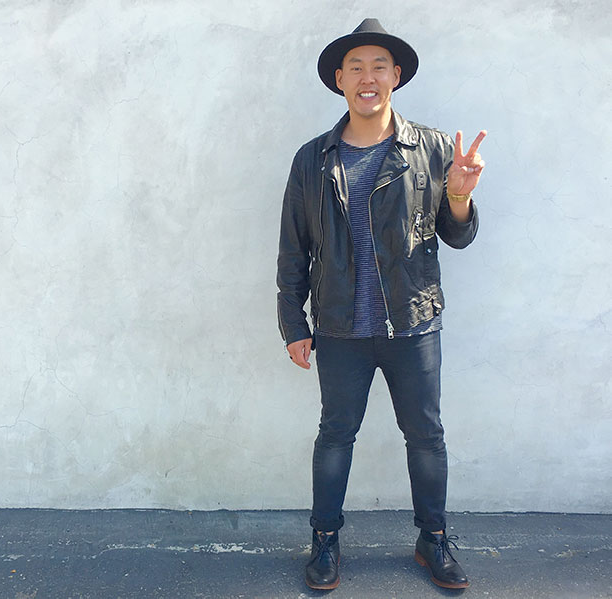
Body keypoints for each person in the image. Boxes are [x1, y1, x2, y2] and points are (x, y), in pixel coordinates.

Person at [276, 18, 486, 591]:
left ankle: (433, 540)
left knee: (426, 436)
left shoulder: (434, 149)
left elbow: (458, 235)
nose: (368, 78)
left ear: (395, 76)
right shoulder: (312, 160)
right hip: (341, 328)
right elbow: (293, 247)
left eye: (379, 67)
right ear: (340, 80)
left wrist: (461, 195)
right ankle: (324, 541)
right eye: (356, 68)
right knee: (334, 435)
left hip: (414, 324)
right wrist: (293, 323)